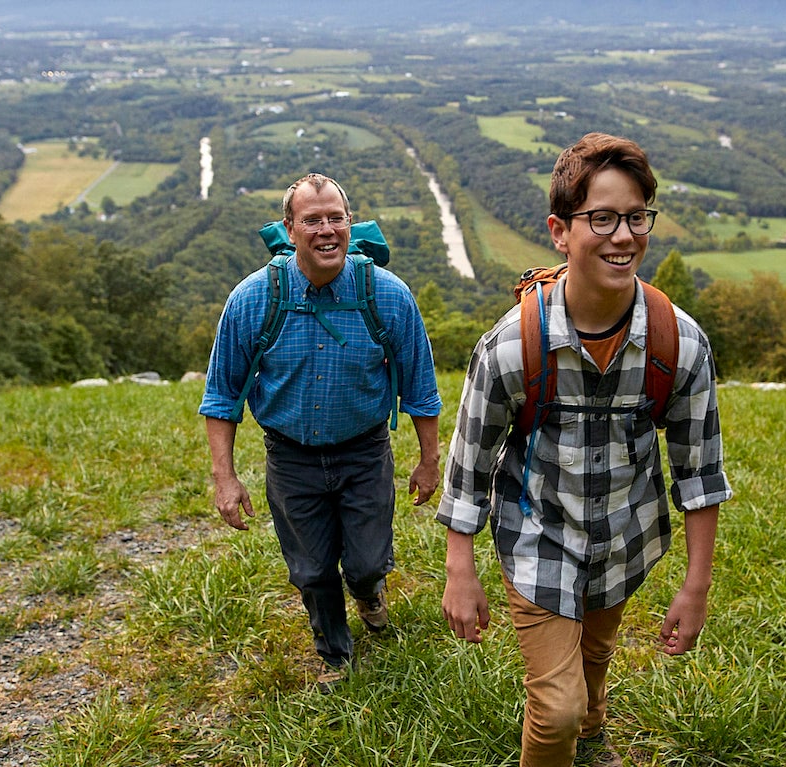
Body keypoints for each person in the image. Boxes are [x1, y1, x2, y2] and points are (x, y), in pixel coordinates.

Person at [436, 133, 732, 767]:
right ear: (560, 231)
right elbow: (469, 464)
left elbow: (699, 471)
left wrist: (696, 586)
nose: (623, 236)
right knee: (557, 709)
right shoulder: (513, 348)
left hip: (626, 540)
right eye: (601, 218)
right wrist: (460, 569)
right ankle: (575, 724)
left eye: (635, 217)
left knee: (594, 662)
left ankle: (593, 721)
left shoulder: (678, 344)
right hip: (538, 536)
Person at [200, 172, 442, 692]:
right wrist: (225, 479)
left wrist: (429, 459)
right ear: (290, 229)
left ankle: (369, 592)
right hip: (291, 458)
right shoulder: (253, 299)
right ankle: (337, 655)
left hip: (365, 451)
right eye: (312, 220)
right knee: (311, 572)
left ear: (351, 225)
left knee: (365, 562)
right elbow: (221, 396)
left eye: (336, 218)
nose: (326, 229)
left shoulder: (388, 296)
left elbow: (421, 385)